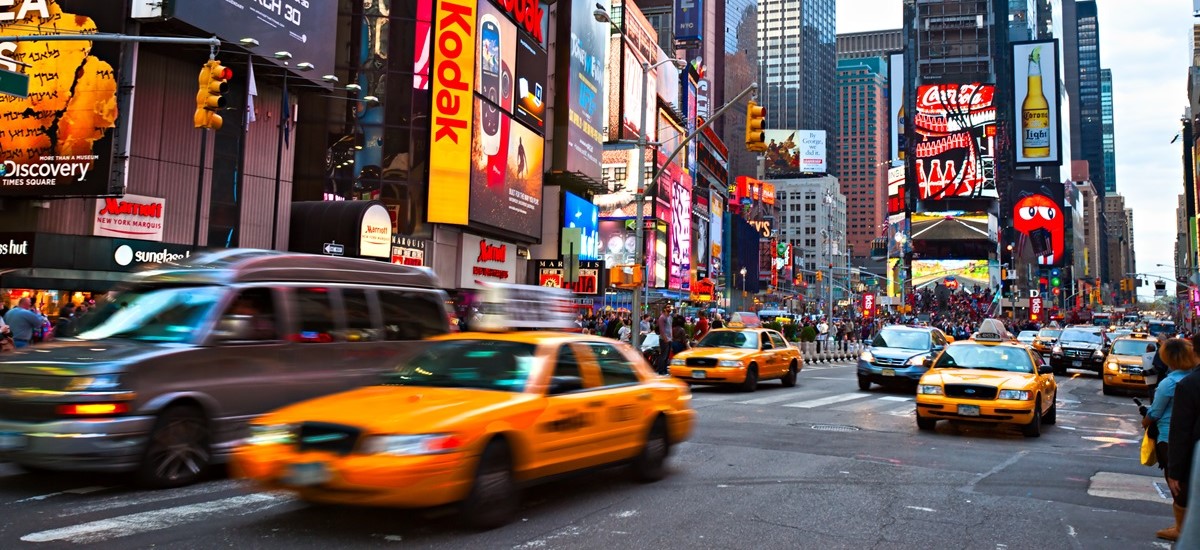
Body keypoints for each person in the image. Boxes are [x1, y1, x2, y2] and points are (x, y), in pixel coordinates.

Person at [1143, 338, 1195, 541]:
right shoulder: (1192, 378)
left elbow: (1155, 412)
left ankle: (1182, 528)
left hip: (1168, 437)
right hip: (1190, 437)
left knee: (1174, 481)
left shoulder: (1169, 383)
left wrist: (1145, 421)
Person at [657, 305, 673, 372]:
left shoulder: (670, 317)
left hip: (669, 339)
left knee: (667, 356)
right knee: (663, 356)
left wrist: (671, 338)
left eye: (670, 307)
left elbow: (670, 328)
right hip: (664, 339)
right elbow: (661, 329)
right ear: (664, 309)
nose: (669, 308)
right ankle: (661, 370)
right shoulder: (662, 317)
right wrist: (665, 338)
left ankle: (664, 369)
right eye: (668, 307)